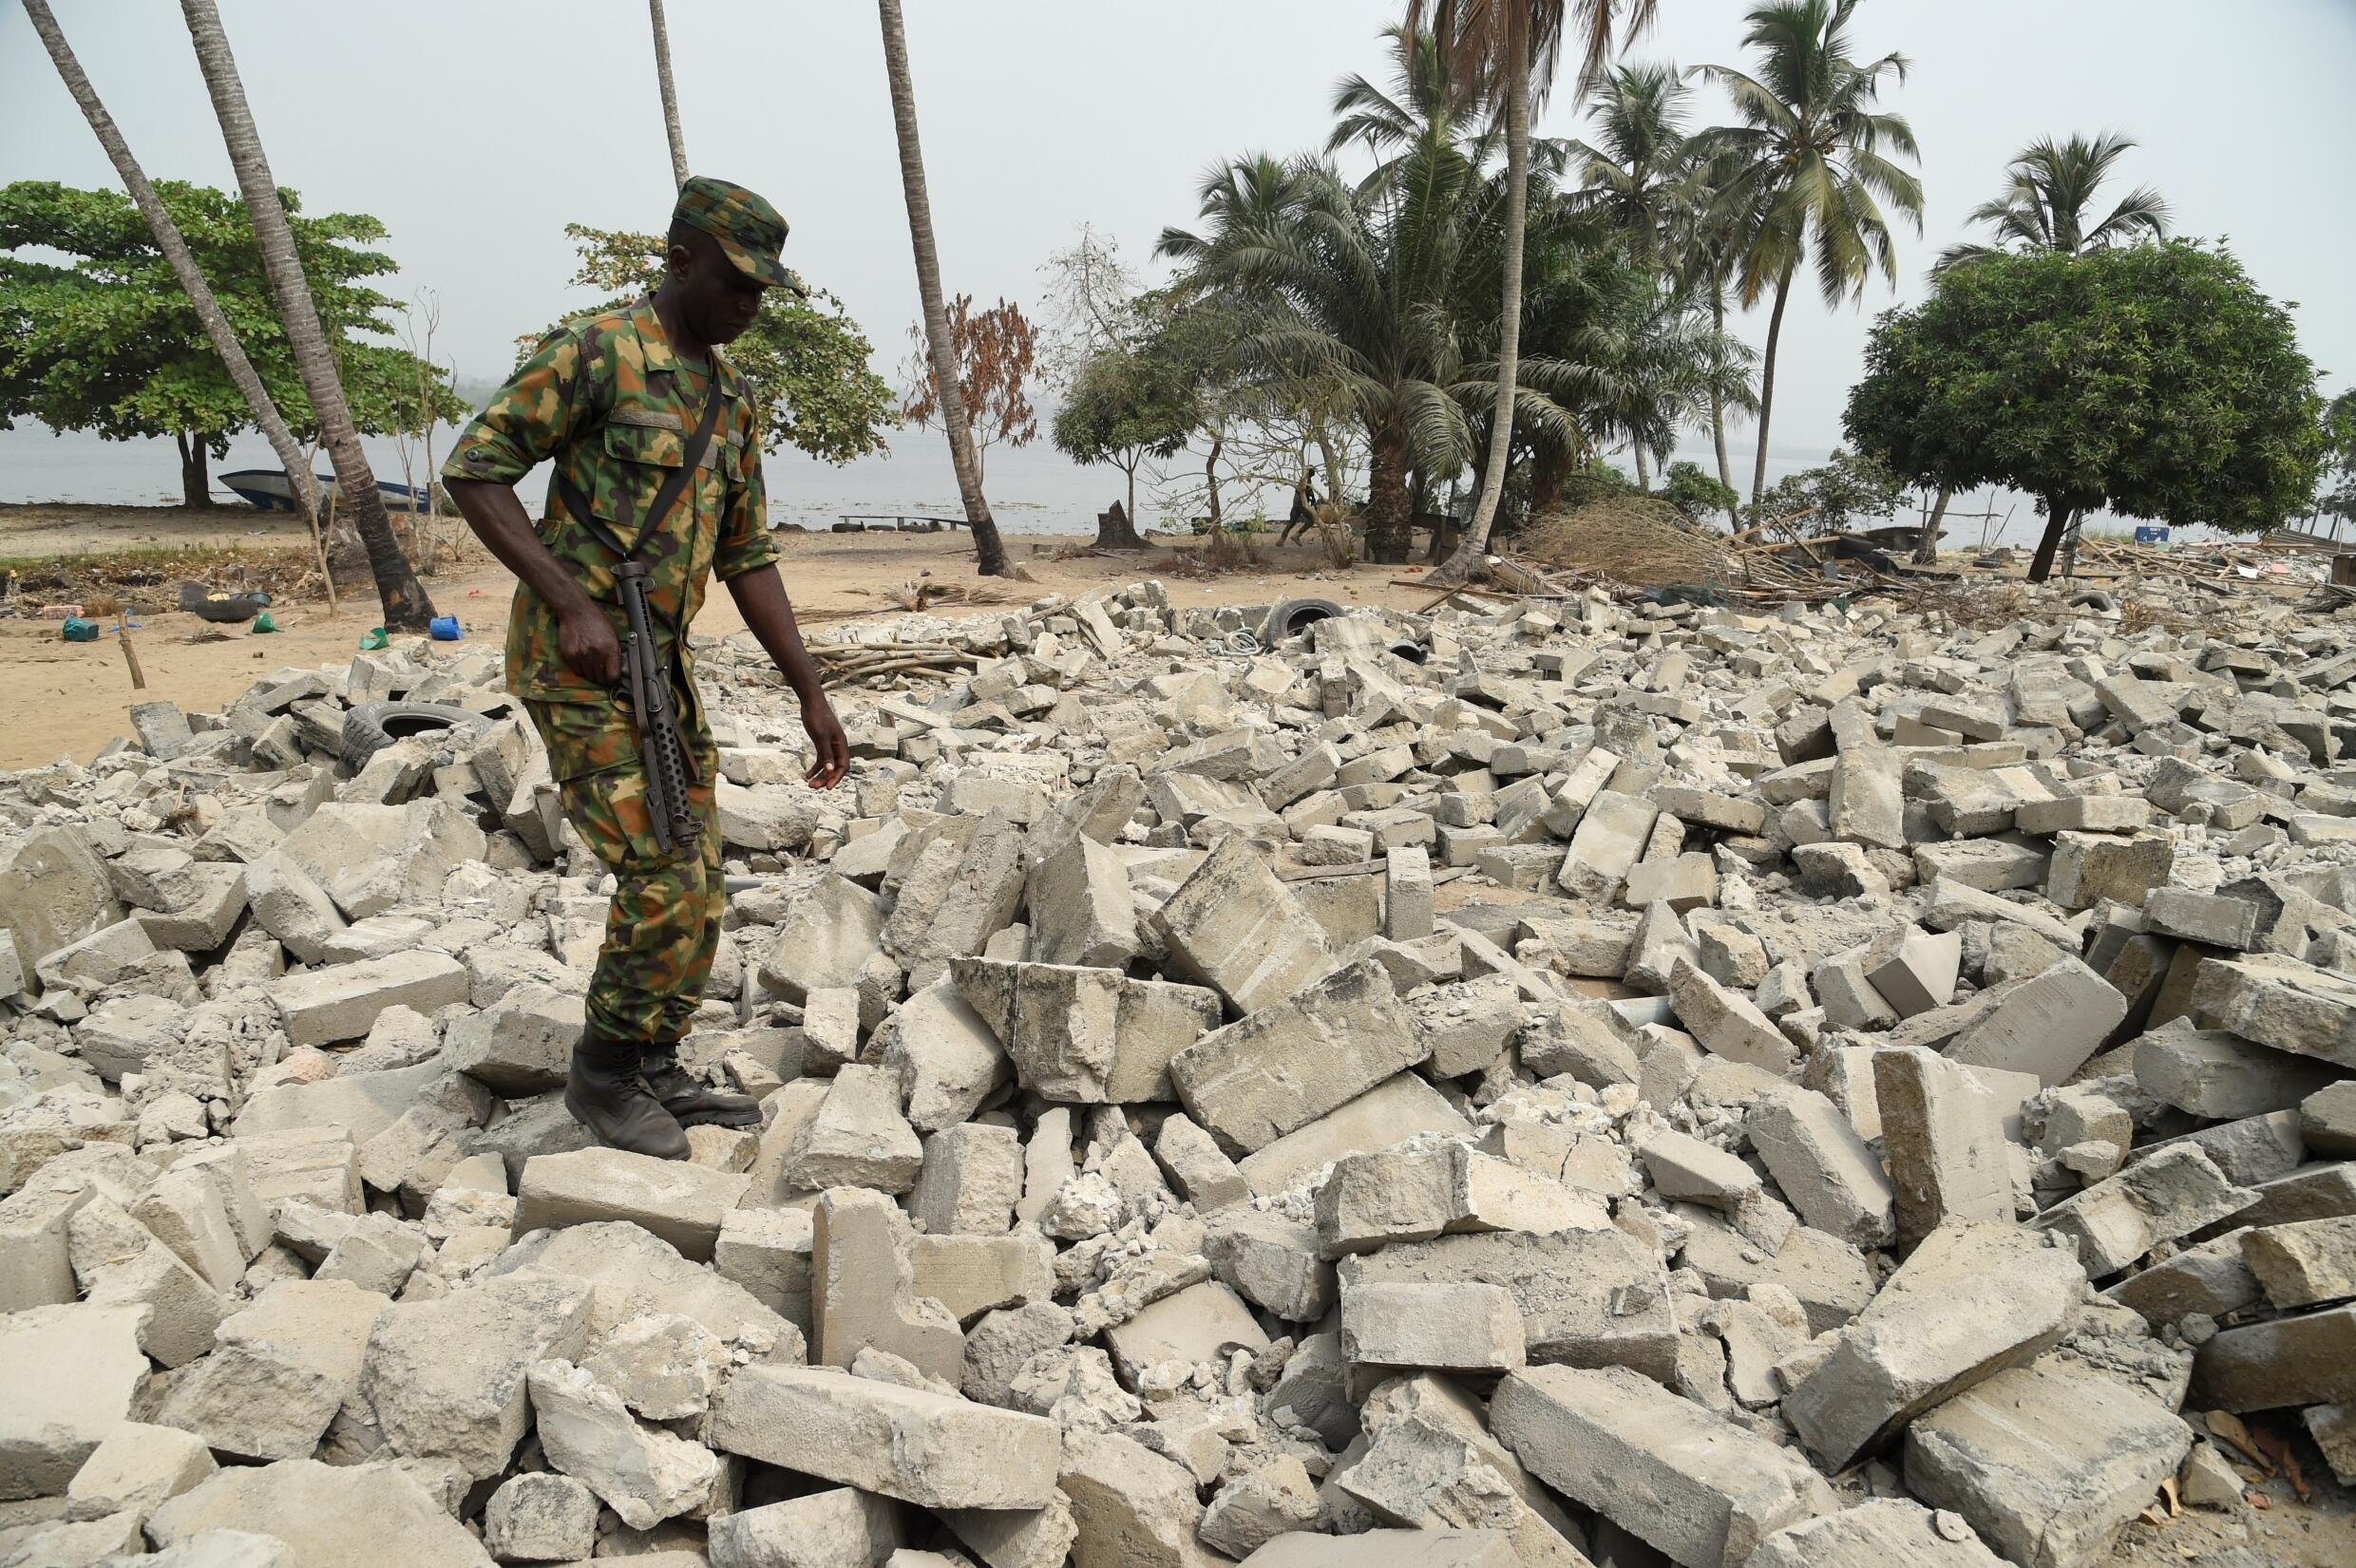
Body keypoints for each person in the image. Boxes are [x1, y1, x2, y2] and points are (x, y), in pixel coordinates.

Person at [444, 176, 848, 1160]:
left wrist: (809, 692)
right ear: (679, 260)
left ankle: (655, 1056)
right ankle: (602, 1073)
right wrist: (569, 600)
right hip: (574, 660)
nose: (749, 306)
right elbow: (476, 467)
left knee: (700, 868)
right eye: (735, 283)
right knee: (660, 869)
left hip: (659, 664)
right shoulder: (595, 351)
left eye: (763, 290)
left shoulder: (732, 401)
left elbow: (749, 558)